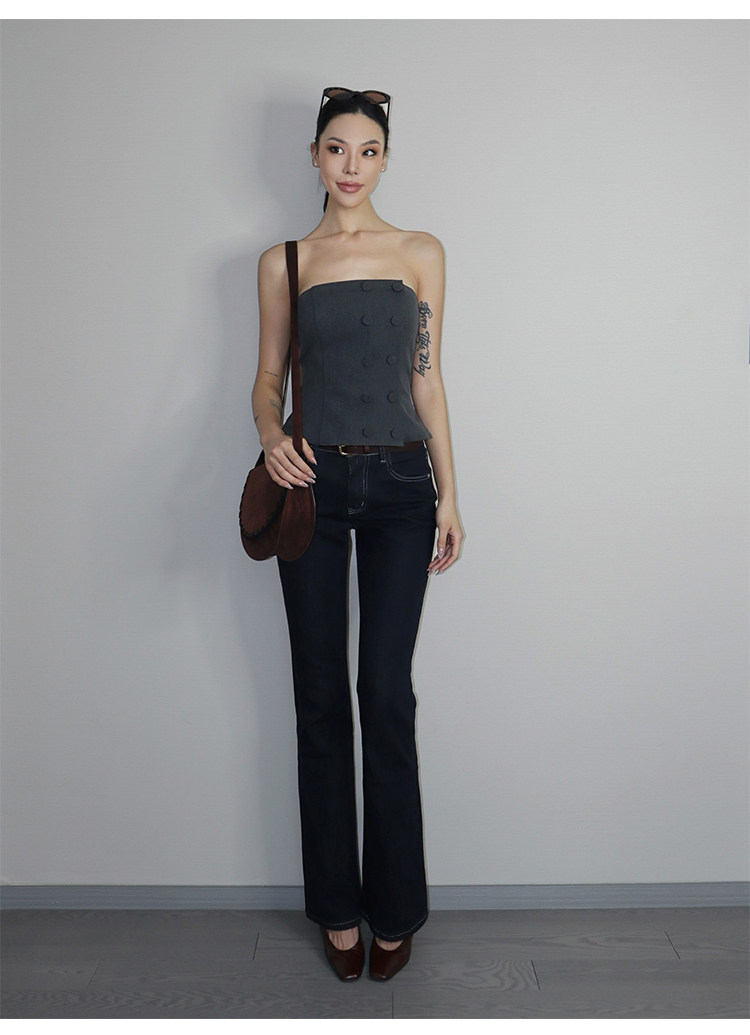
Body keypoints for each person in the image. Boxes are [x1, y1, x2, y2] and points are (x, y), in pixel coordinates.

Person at [251, 87, 463, 982]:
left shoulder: (421, 252)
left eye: (368, 150)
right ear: (313, 155)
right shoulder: (284, 262)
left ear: (384, 158)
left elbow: (427, 379)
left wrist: (450, 494)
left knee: (384, 693)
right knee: (319, 696)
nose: (351, 165)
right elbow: (268, 377)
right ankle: (337, 906)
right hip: (313, 483)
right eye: (336, 148)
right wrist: (272, 434)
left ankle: (397, 907)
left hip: (403, 488)